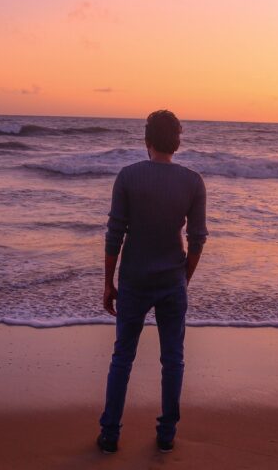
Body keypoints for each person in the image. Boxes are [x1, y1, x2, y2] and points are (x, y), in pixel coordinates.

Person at [97, 109, 208, 454]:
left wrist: (108, 282)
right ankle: (166, 435)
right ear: (177, 142)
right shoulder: (192, 181)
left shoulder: (128, 176)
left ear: (147, 140)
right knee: (173, 359)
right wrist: (183, 278)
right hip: (172, 279)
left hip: (134, 278)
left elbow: (115, 234)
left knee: (122, 357)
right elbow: (198, 239)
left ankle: (110, 434)